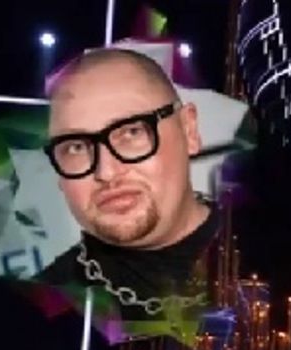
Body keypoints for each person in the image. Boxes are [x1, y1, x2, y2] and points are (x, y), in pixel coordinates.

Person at [36, 47, 219, 322]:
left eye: (132, 132)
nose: (106, 172)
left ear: (189, 131)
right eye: (76, 147)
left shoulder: (276, 263)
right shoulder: (43, 303)